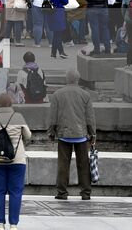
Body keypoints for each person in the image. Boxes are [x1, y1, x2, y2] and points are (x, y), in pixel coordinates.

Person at [0, 91, 32, 230]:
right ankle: (13, 225)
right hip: (17, 160)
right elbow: (28, 135)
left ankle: (0, 224)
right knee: (16, 192)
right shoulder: (18, 117)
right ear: (11, 104)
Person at [47, 69, 97, 200]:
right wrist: (93, 134)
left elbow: (53, 116)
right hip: (81, 135)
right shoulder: (85, 95)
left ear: (66, 79)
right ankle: (86, 192)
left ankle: (62, 192)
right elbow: (90, 118)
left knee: (63, 164)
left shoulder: (57, 94)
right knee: (83, 164)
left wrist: (51, 131)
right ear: (78, 79)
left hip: (64, 134)